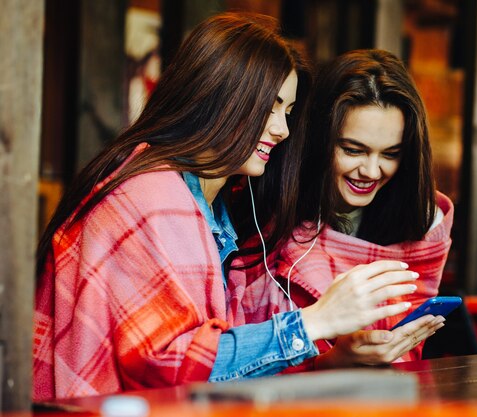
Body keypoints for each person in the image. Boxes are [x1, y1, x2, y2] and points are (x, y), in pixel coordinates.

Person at [33, 15, 419, 400]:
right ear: (218, 98)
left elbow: (226, 369)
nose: (282, 130)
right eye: (269, 107)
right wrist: (313, 322)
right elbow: (167, 367)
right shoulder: (154, 197)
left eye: (287, 112)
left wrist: (333, 359)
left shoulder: (211, 205)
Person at [234, 49, 453, 369]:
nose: (372, 171)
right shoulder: (264, 208)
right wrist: (335, 358)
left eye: (390, 154)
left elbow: (407, 352)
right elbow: (235, 351)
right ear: (319, 139)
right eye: (353, 150)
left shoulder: (423, 221)